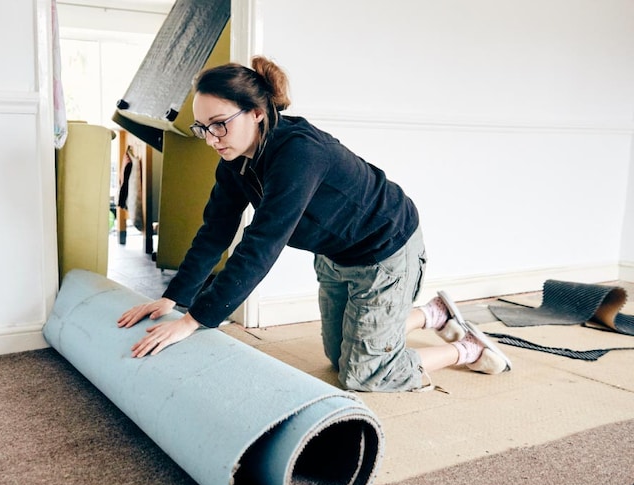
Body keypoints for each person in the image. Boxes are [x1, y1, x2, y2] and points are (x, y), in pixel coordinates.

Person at [116, 56, 511, 392]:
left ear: (256, 112)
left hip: (385, 250)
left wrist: (194, 321)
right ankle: (433, 315)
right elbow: (215, 230)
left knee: (365, 375)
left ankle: (468, 349)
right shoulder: (235, 161)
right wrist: (175, 298)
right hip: (336, 254)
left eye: (219, 123)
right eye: (203, 127)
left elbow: (261, 244)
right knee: (337, 356)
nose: (211, 139)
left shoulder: (299, 153)